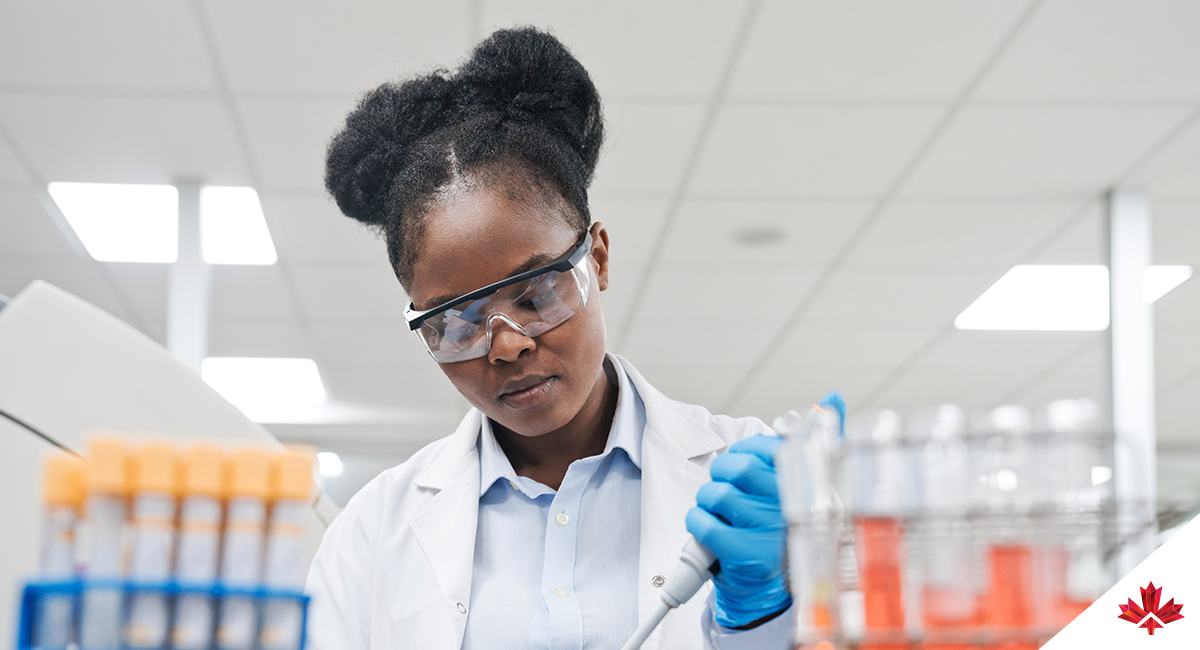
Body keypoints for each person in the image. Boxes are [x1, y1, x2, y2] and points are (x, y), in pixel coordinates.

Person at [306, 27, 794, 650]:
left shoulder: (749, 479)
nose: (506, 347)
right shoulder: (373, 533)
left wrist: (763, 619)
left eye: (535, 295)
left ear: (598, 257)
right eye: (454, 324)